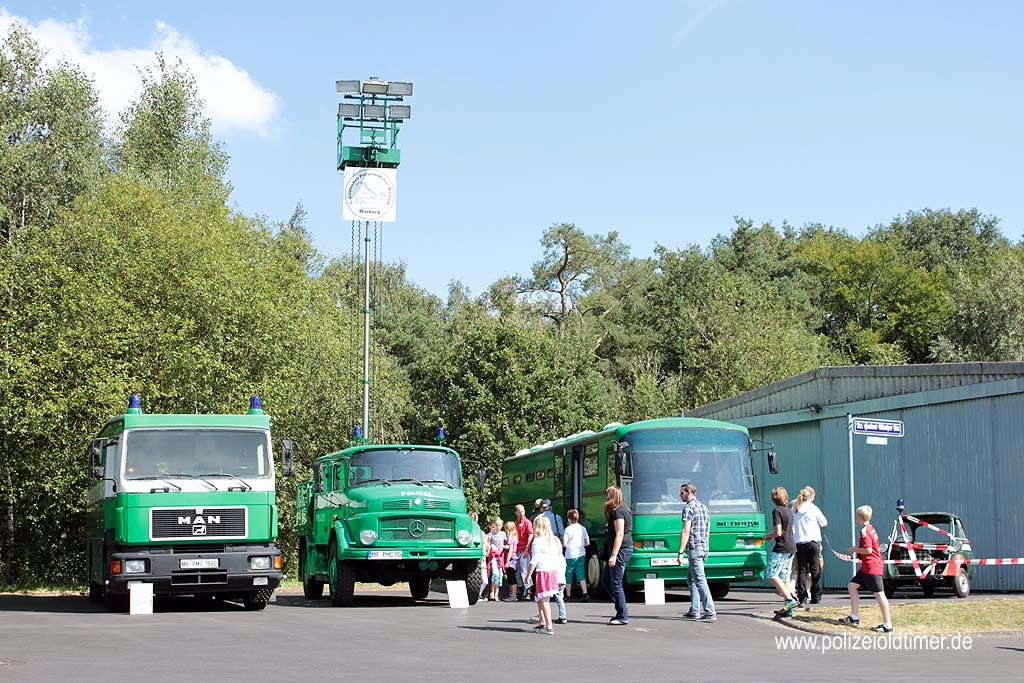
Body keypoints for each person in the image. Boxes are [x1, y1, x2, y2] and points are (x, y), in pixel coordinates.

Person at [839, 504, 893, 633]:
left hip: (872, 568)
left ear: (859, 518)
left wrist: (854, 550)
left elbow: (868, 550)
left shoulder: (865, 532)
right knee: (852, 586)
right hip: (866, 568)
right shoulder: (870, 528)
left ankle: (888, 624)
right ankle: (854, 617)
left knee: (879, 595)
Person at [678, 482, 716, 622]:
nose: (680, 495)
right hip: (704, 547)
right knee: (692, 579)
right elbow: (708, 529)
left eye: (682, 493)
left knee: (700, 580)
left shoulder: (689, 508)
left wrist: (680, 552)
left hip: (694, 548)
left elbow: (686, 530)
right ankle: (694, 610)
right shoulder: (704, 507)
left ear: (688, 492)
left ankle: (710, 611)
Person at [762, 486, 798, 617]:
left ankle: (789, 600)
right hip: (791, 546)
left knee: (771, 574)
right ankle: (788, 608)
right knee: (785, 577)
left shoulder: (776, 511)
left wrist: (768, 536)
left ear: (774, 498)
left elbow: (778, 531)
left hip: (781, 547)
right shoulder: (789, 511)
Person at [600, 485, 633, 625]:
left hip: (620, 550)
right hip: (621, 549)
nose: (606, 498)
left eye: (608, 495)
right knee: (606, 580)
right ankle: (621, 609)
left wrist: (613, 555)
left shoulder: (619, 511)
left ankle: (622, 615)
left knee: (615, 583)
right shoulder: (622, 509)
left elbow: (620, 533)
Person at [792, 486, 828, 605]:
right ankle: (816, 596)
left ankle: (802, 596)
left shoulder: (795, 508)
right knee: (815, 569)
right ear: (811, 496)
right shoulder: (813, 508)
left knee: (802, 569)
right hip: (813, 542)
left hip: (799, 542)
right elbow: (824, 522)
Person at [526, 515, 562, 635]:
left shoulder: (538, 541)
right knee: (541, 598)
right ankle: (543, 622)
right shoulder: (552, 540)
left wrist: (528, 575)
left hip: (542, 572)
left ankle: (549, 626)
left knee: (544, 599)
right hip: (552, 572)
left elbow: (535, 559)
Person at [562, 508, 590, 602]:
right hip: (581, 554)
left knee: (568, 575)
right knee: (581, 574)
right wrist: (580, 545)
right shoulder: (583, 528)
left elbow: (564, 544)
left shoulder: (568, 529)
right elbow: (587, 543)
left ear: (569, 519)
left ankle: (568, 596)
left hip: (570, 555)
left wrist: (569, 545)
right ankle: (585, 593)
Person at [513, 504, 534, 601]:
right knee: (517, 572)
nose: (521, 513)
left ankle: (529, 591)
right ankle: (520, 591)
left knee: (525, 571)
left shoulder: (527, 522)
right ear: (516, 512)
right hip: (517, 551)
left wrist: (527, 549)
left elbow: (530, 535)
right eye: (519, 511)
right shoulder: (515, 523)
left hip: (524, 551)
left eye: (523, 511)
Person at [486, 517, 506, 602]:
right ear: (494, 525)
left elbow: (506, 543)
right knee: (495, 574)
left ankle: (496, 594)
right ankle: (491, 592)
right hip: (493, 557)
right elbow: (488, 544)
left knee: (500, 575)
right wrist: (490, 548)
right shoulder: (491, 534)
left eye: (500, 525)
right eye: (497, 525)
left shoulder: (503, 534)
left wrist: (506, 547)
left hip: (500, 557)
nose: (498, 527)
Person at [502, 520, 519, 601]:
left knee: (511, 577)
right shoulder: (515, 538)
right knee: (511, 576)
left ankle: (513, 594)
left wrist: (507, 561)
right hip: (514, 558)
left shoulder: (510, 539)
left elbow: (510, 550)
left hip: (511, 559)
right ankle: (512, 593)